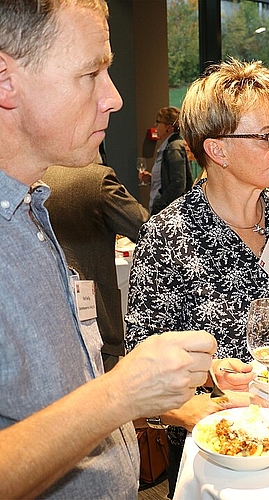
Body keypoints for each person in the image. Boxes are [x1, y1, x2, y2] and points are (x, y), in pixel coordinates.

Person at [0, 1, 217, 498]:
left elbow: (48, 397)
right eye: (91, 72)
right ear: (5, 79)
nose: (115, 98)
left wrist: (153, 397)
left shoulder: (33, 208)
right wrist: (121, 394)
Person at [125, 58, 269, 496]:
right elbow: (143, 363)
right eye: (267, 136)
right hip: (220, 451)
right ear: (218, 150)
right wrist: (211, 375)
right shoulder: (168, 237)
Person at [42, 162, 149, 371]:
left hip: (46, 318)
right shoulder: (96, 179)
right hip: (94, 318)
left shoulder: (29, 177)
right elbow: (146, 228)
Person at [140, 105, 192, 215]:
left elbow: (178, 184)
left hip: (169, 213)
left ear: (169, 127)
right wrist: (151, 179)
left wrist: (159, 205)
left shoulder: (174, 147)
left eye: (158, 122)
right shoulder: (169, 146)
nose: (156, 126)